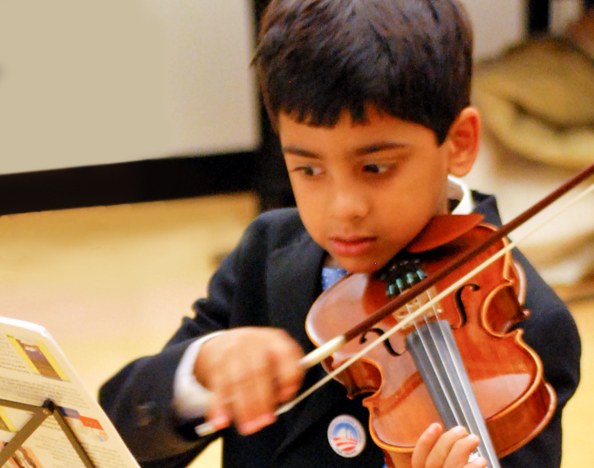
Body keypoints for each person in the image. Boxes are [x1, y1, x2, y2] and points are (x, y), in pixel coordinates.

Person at [98, 1, 581, 467]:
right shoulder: (266, 252)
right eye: (309, 170)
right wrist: (201, 367)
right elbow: (113, 435)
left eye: (375, 167)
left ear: (459, 143)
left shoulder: (527, 324)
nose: (343, 207)